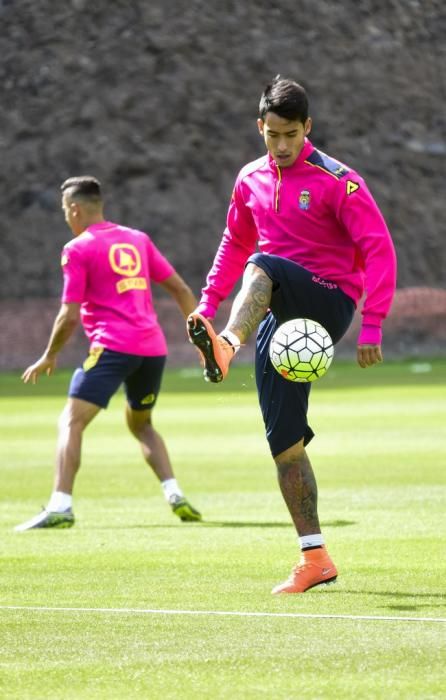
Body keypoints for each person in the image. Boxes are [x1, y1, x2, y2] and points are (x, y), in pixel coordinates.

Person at [187, 76, 397, 593]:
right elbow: (231, 244)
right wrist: (206, 304)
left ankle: (226, 345)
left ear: (309, 128)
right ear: (260, 127)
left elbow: (379, 250)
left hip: (329, 300)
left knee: (264, 264)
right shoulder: (249, 179)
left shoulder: (340, 180)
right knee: (285, 443)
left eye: (291, 136)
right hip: (277, 315)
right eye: (272, 135)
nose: (282, 147)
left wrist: (373, 323)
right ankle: (315, 558)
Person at [16, 175, 201, 531]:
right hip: (152, 348)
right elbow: (179, 288)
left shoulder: (78, 248)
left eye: (64, 211)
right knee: (142, 425)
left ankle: (60, 505)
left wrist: (49, 355)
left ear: (74, 208)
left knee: (71, 421)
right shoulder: (137, 239)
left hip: (112, 347)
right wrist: (201, 339)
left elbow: (68, 316)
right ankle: (174, 492)